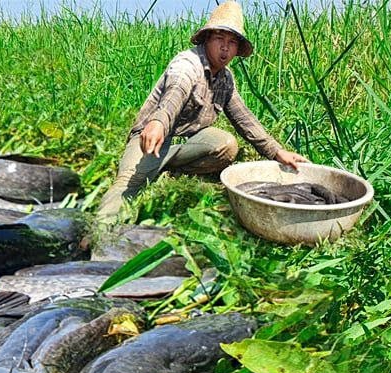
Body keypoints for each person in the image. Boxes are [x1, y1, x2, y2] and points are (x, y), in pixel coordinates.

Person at [96, 0, 309, 219]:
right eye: (219, 39)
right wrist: (158, 122)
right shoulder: (187, 64)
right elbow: (175, 92)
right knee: (129, 183)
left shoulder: (226, 79)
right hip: (154, 137)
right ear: (207, 39)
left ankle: (169, 170)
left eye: (232, 42)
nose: (225, 47)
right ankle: (98, 233)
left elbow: (245, 119)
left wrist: (276, 151)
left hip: (187, 143)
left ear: (237, 48)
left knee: (226, 145)